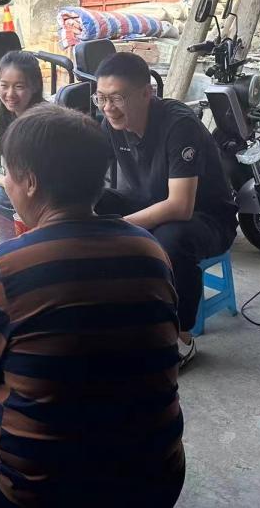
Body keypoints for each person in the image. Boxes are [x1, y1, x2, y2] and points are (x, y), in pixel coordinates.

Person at [0, 106, 185, 508]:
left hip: (44, 494)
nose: (5, 183)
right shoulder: (150, 250)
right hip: (157, 481)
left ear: (30, 182)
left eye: (8, 173)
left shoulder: (11, 264)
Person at [93, 51, 238, 368]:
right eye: (101, 98)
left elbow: (180, 206)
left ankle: (181, 337)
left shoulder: (179, 125)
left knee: (171, 239)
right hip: (148, 201)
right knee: (91, 202)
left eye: (116, 98)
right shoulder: (111, 122)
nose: (107, 107)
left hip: (206, 217)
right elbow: (88, 172)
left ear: (147, 93)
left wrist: (119, 227)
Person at [0, 50, 45, 219]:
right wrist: (6, 182)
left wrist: (11, 185)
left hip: (42, 191)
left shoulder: (46, 120)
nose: (10, 94)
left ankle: (23, 233)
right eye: (4, 85)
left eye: (19, 87)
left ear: (35, 86)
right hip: (13, 182)